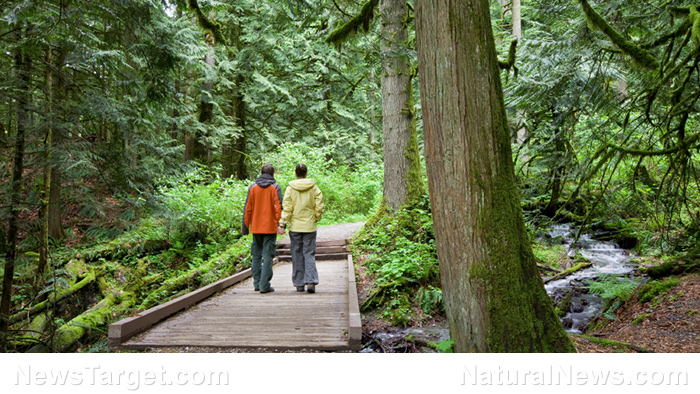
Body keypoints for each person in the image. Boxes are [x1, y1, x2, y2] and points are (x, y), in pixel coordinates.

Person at [279, 164, 324, 293]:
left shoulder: (290, 189)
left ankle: (299, 284)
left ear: (295, 173)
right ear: (306, 174)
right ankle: (310, 282)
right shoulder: (314, 188)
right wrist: (316, 217)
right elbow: (319, 205)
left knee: (297, 253)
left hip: (295, 227)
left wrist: (283, 223)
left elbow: (287, 207)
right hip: (309, 226)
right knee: (309, 253)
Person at [243, 164, 282, 293]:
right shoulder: (275, 188)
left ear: (261, 173)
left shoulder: (253, 188)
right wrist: (279, 224)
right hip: (270, 227)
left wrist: (245, 227)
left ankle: (257, 283)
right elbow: (278, 208)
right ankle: (264, 285)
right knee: (268, 255)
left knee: (256, 255)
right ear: (273, 174)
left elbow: (247, 208)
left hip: (256, 227)